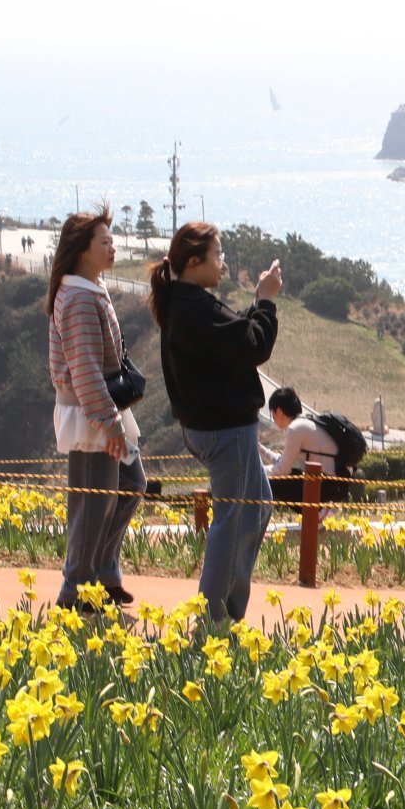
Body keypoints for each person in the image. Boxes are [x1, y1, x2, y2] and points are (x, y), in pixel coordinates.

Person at [151, 222, 281, 626]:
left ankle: (226, 609)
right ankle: (213, 619)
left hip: (211, 428)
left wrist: (258, 305)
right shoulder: (194, 308)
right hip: (226, 432)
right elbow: (253, 344)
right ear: (194, 262)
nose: (222, 264)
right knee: (232, 521)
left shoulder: (186, 303)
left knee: (257, 509)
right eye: (217, 255)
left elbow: (234, 335)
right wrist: (266, 301)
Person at [46, 206, 145, 611]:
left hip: (104, 406)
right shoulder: (79, 299)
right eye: (104, 241)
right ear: (83, 250)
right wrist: (108, 423)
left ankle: (101, 573)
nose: (112, 247)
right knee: (94, 501)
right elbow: (85, 366)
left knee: (129, 487)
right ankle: (77, 589)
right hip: (92, 412)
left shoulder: (88, 289)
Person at [263, 387, 350, 507]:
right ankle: (319, 514)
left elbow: (283, 469)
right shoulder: (304, 423)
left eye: (273, 414)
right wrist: (259, 448)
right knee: (284, 476)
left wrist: (258, 471)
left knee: (268, 482)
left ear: (279, 411)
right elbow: (282, 463)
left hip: (326, 486)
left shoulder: (296, 428)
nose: (273, 419)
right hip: (333, 483)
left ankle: (319, 514)